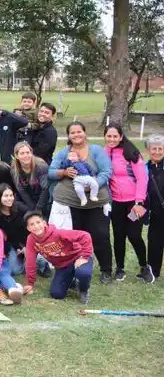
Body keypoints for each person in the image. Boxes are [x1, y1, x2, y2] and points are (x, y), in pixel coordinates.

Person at [49, 121, 112, 284]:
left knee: (100, 236)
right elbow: (51, 172)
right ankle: (77, 269)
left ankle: (106, 270)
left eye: (79, 131)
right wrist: (64, 172)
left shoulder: (96, 150)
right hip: (71, 203)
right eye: (73, 132)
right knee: (74, 239)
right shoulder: (64, 153)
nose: (76, 135)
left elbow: (106, 171)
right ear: (68, 136)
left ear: (85, 133)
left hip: (95, 202)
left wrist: (94, 184)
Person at [104, 124, 152, 283]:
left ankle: (144, 266)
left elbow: (142, 179)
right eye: (109, 136)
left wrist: (139, 202)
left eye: (115, 136)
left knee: (134, 235)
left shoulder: (131, 152)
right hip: (116, 203)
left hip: (134, 203)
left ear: (121, 137)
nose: (112, 139)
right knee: (118, 236)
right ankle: (120, 268)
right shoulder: (105, 152)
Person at [23, 211, 93, 303]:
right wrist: (30, 283)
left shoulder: (58, 233)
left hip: (78, 257)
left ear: (44, 223)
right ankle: (73, 281)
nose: (36, 226)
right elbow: (30, 261)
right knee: (56, 294)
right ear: (28, 228)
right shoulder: (31, 240)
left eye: (38, 222)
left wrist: (84, 256)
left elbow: (85, 235)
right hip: (63, 266)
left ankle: (83, 290)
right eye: (32, 224)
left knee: (83, 273)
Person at [0, 183, 52, 278]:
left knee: (34, 254)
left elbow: (32, 225)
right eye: (6, 196)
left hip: (29, 240)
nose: (9, 198)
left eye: (11, 195)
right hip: (13, 244)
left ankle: (40, 261)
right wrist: (17, 247)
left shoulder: (19, 208)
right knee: (15, 270)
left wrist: (26, 246)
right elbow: (5, 236)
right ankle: (29, 260)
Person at [10, 142, 50, 214]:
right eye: (22, 153)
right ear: (16, 156)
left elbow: (45, 189)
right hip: (29, 200)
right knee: (16, 204)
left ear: (31, 153)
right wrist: (32, 209)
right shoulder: (14, 171)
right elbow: (21, 191)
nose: (26, 155)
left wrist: (38, 209)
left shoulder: (42, 167)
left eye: (28, 152)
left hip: (44, 200)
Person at [145, 134, 164, 281]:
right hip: (155, 212)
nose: (157, 152)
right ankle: (153, 272)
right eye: (154, 149)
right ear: (148, 150)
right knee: (154, 241)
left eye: (160, 149)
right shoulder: (144, 168)